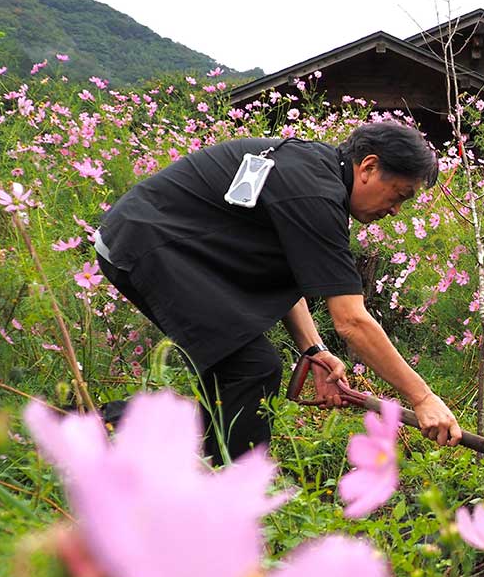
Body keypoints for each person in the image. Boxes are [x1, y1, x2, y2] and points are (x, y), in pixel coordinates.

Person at [93, 121, 462, 462]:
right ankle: (229, 491)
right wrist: (422, 397)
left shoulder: (316, 175)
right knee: (251, 370)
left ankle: (125, 436)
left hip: (161, 246)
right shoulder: (315, 193)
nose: (396, 210)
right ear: (368, 167)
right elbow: (351, 320)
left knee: (240, 376)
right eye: (398, 194)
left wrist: (313, 350)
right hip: (146, 243)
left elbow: (285, 277)